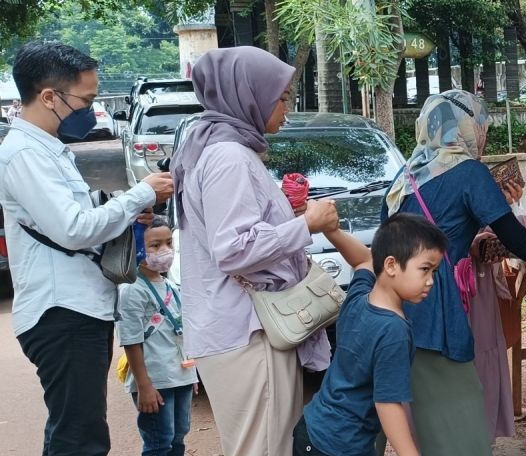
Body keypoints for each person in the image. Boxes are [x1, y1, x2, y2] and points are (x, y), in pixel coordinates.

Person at [381, 89, 526, 455]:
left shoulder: (405, 176)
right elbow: (510, 233)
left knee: (422, 394)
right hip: (437, 297)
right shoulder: (469, 172)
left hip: (399, 300)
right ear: (466, 127)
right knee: (462, 399)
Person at [0, 41, 173, 455]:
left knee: (76, 431)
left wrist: (127, 213)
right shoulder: (24, 153)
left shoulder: (48, 148)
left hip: (77, 310)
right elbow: (75, 230)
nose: (91, 111)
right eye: (87, 100)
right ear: (48, 96)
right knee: (80, 439)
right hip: (62, 313)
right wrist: (138, 196)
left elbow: (78, 218)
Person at [170, 46, 339, 456]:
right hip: (246, 331)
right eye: (281, 97)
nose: (286, 107)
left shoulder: (214, 145)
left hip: (236, 327)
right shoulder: (229, 156)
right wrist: (307, 225)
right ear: (247, 95)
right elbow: (232, 249)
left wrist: (285, 216)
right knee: (263, 448)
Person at [294, 213, 448, 456]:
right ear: (390, 265)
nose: (430, 281)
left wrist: (332, 231)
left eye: (434, 272)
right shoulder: (394, 331)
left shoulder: (358, 296)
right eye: (425, 269)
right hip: (341, 447)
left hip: (312, 428)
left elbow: (365, 261)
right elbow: (388, 404)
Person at [467, 181, 526, 441]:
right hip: (467, 286)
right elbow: (499, 231)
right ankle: (475, 435)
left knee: (481, 355)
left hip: (470, 284)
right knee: (477, 357)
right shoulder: (461, 175)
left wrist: (501, 202)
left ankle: (476, 435)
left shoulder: (419, 175)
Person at [117, 216, 198, 456]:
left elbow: (180, 331)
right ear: (138, 248)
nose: (164, 250)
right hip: (155, 380)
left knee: (178, 436)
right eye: (155, 245)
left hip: (180, 376)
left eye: (168, 243)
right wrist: (144, 385)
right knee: (159, 443)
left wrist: (191, 374)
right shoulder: (132, 289)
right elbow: (131, 340)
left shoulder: (171, 285)